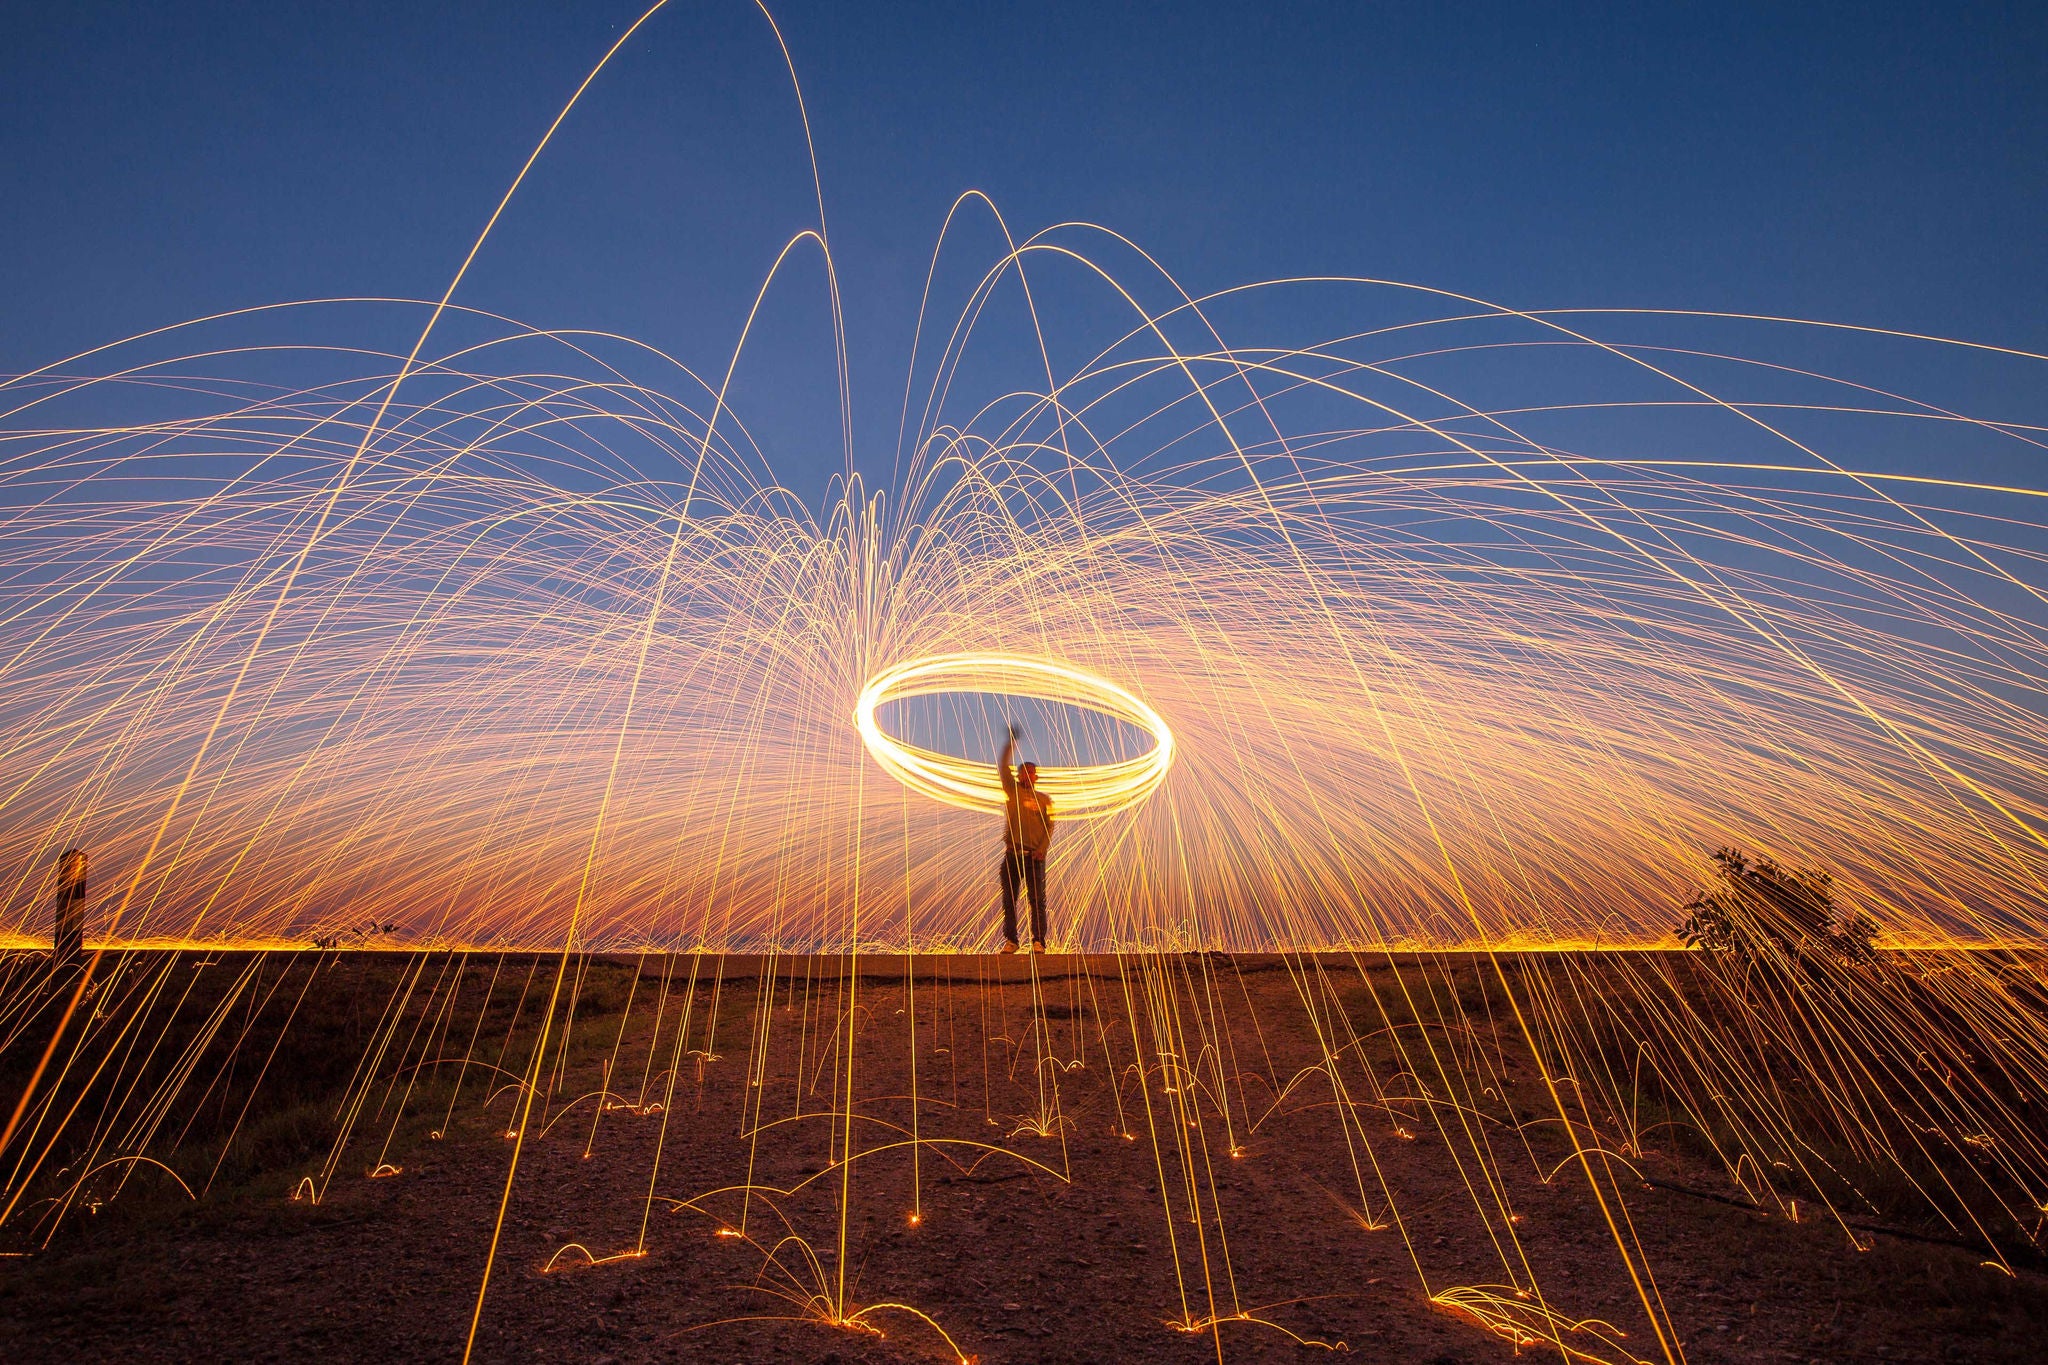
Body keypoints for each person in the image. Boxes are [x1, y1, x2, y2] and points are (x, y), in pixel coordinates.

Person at [997, 723, 1053, 953]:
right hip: (1012, 855)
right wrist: (1011, 743)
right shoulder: (1012, 791)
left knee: (1037, 901)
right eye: (1023, 772)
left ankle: (1038, 941)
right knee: (1010, 900)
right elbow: (1002, 765)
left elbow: (1049, 826)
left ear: (1036, 776)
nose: (1027, 775)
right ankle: (1011, 941)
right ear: (1019, 776)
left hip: (1034, 856)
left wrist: (1042, 849)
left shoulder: (1043, 799)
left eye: (1031, 772)